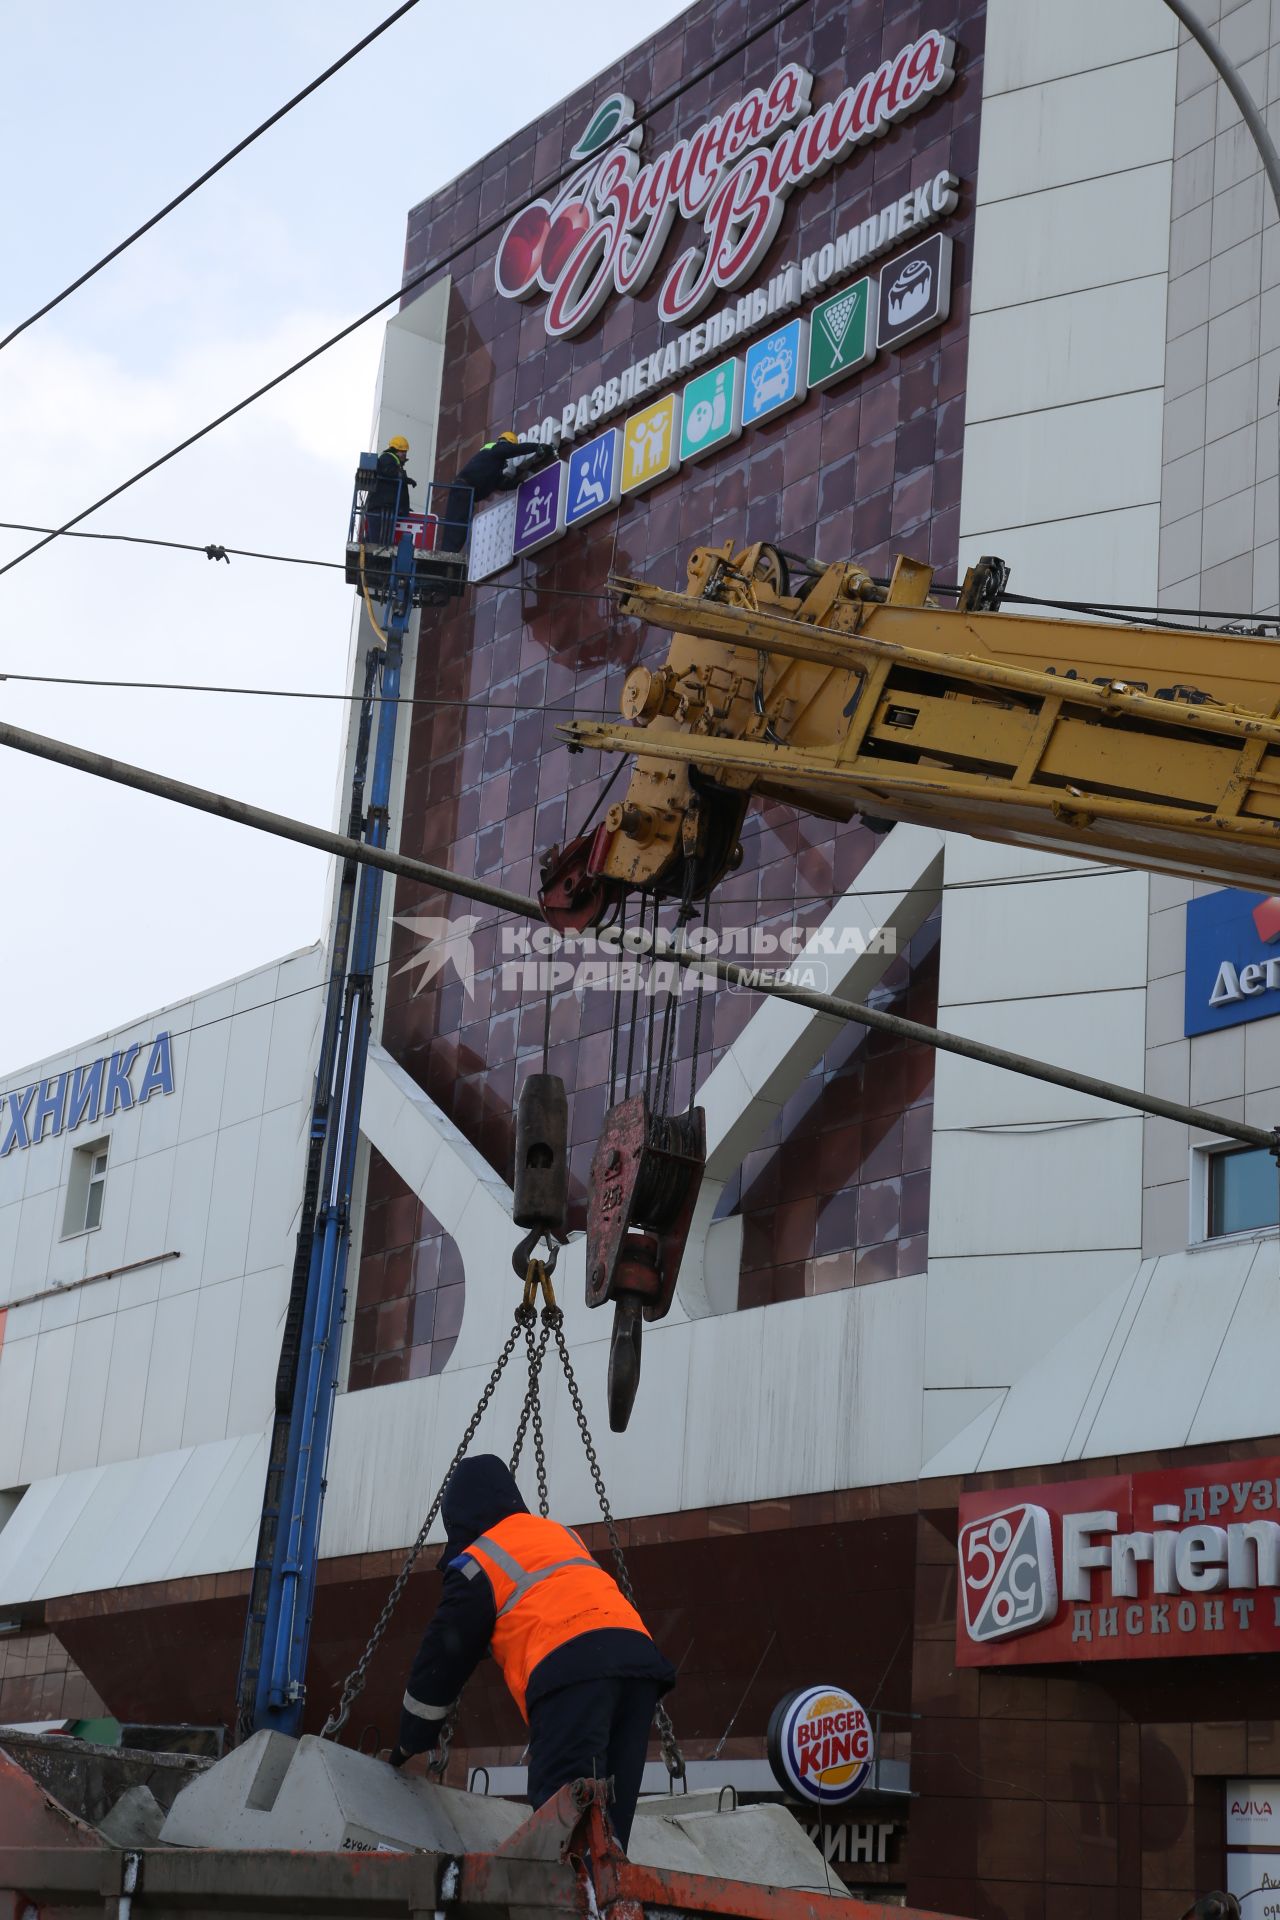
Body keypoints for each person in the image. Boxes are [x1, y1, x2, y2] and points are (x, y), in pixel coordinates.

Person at [387, 1454, 674, 1848]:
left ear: (461, 1521)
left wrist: (409, 1741)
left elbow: (441, 1661)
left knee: (565, 1831)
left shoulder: (478, 1562)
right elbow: (548, 1601)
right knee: (608, 1837)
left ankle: (575, 1902)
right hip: (637, 1666)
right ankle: (607, 1901)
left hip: (574, 1672)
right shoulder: (559, 1535)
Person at [440, 431, 549, 550]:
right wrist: (537, 447)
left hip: (465, 492)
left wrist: (522, 482)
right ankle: (448, 555)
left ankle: (450, 554)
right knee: (457, 526)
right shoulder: (495, 449)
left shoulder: (492, 464)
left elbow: (501, 484)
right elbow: (509, 450)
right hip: (463, 490)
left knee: (459, 527)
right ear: (507, 443)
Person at [366, 435, 416, 542]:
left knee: (381, 543)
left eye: (405, 451)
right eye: (402, 451)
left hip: (385, 509)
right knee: (377, 543)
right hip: (380, 508)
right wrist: (405, 478)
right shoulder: (387, 458)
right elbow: (388, 471)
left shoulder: (394, 462)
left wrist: (403, 507)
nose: (404, 454)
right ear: (395, 450)